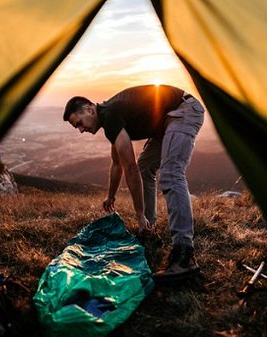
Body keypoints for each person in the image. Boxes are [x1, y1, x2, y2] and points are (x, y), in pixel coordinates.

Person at [63, 84, 205, 280]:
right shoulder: (108, 118)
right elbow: (117, 164)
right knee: (146, 167)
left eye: (79, 123)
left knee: (172, 174)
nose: (80, 130)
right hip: (167, 119)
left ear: (89, 109)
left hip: (183, 110)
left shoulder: (110, 115)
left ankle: (184, 256)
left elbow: (130, 167)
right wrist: (110, 196)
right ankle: (149, 228)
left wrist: (138, 214)